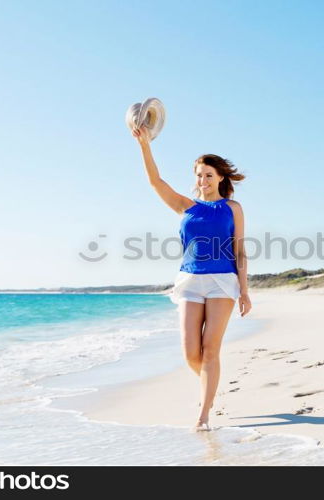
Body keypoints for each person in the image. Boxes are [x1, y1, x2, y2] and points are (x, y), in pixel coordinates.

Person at [131, 125, 252, 432]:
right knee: (190, 353)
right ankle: (209, 386)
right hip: (189, 280)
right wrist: (145, 145)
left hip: (223, 281)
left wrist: (245, 292)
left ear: (221, 178)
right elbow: (155, 182)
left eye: (209, 174)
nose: (203, 180)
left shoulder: (232, 208)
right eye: (199, 174)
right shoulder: (187, 206)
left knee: (211, 350)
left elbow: (239, 250)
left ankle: (204, 413)